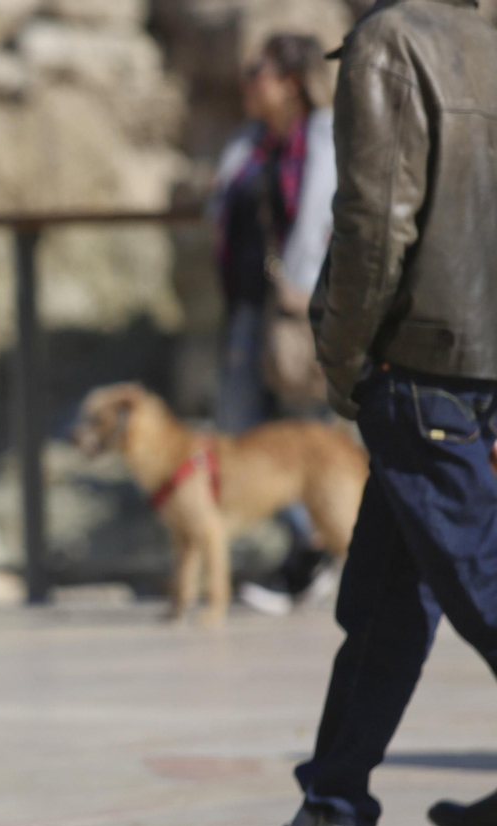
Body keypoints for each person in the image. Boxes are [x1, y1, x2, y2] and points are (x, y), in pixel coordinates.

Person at [232, 0, 497, 826]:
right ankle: (332, 816)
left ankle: (332, 817)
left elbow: (375, 222)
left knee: (479, 582)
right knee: (385, 601)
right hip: (472, 369)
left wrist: (344, 361)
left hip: (418, 364)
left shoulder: (393, 45)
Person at [209, 34, 340, 615]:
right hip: (247, 306)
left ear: (288, 80)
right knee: (239, 428)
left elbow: (321, 218)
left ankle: (317, 551)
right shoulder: (249, 144)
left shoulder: (323, 137)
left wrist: (303, 283)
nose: (246, 83)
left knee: (311, 431)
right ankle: (312, 543)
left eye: (256, 72)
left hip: (298, 309)